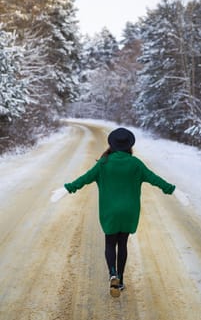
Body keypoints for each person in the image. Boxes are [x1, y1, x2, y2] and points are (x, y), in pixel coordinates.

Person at [64, 127, 175, 297]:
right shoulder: (136, 164)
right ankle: (121, 281)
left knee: (110, 243)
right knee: (122, 245)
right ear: (129, 145)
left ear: (112, 144)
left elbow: (84, 179)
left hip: (110, 211)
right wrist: (170, 189)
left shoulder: (104, 163)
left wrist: (69, 188)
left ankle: (112, 274)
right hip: (130, 211)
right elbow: (154, 179)